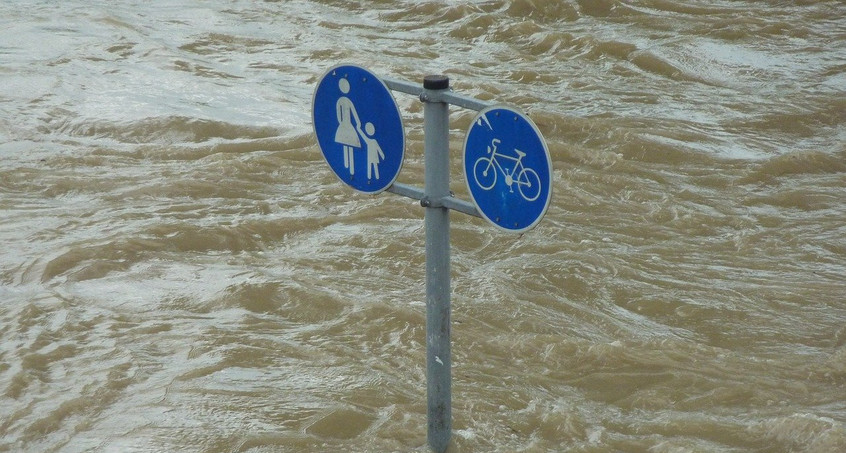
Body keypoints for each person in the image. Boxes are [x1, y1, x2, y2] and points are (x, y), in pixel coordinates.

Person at [334, 78, 361, 176]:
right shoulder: (342, 100)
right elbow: (340, 113)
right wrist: (357, 123)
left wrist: (356, 123)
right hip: (346, 125)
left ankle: (350, 168)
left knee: (349, 144)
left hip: (346, 125)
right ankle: (348, 167)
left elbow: (353, 112)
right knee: (346, 144)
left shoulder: (343, 100)